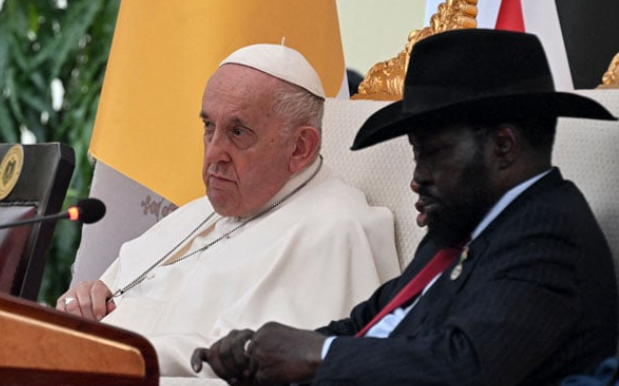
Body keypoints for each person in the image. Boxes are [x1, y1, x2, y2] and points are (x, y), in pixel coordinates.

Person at [199, 30, 619, 386]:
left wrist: (320, 354)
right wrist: (262, 353)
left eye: (432, 153)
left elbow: (467, 366)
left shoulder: (549, 232)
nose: (418, 177)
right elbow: (371, 321)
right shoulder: (461, 230)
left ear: (503, 146)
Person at [56, 44, 400, 378]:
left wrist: (109, 351)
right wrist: (87, 303)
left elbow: (254, 365)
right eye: (209, 127)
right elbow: (102, 298)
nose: (214, 154)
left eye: (238, 132)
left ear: (300, 147)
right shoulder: (201, 213)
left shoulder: (337, 230)